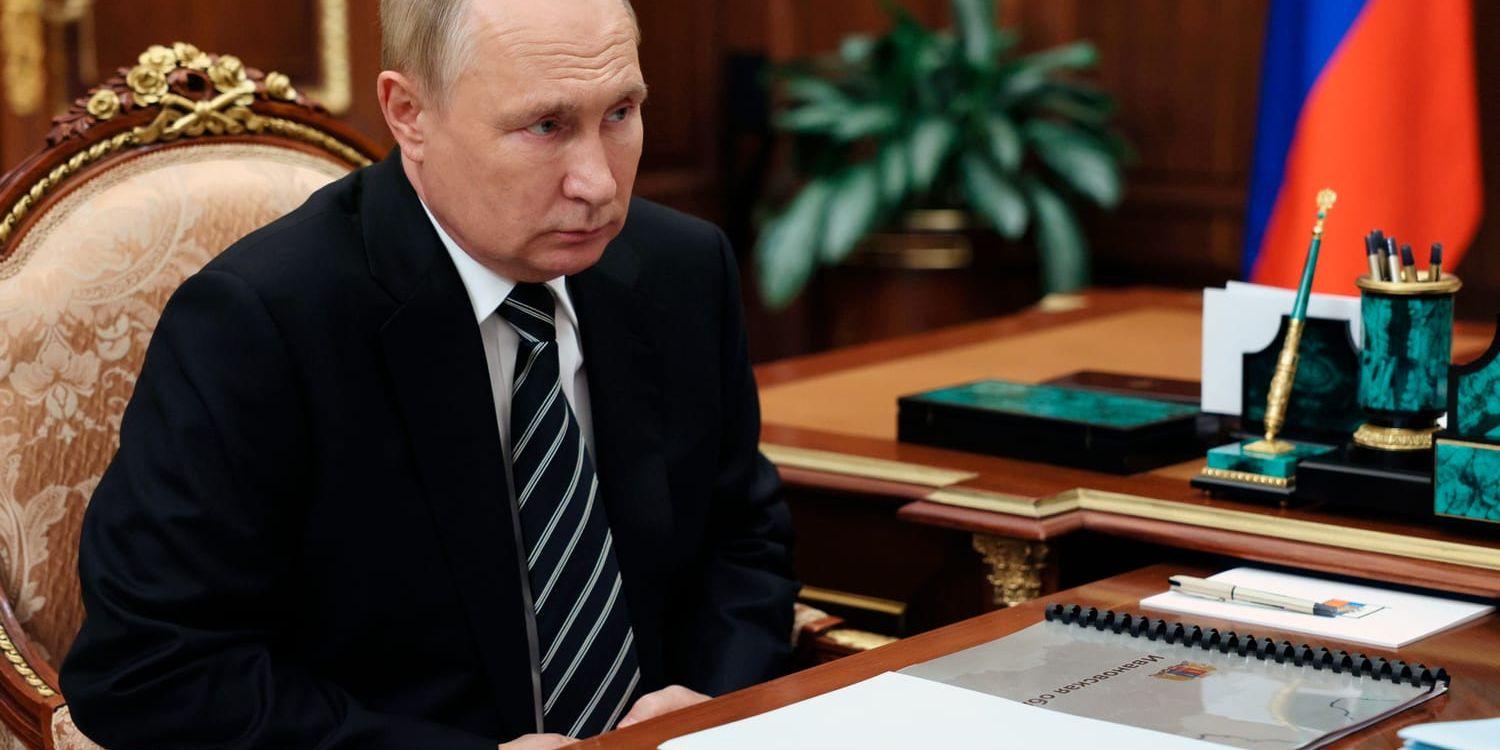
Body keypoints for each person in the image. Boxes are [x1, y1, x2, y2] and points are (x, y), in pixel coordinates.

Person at [59, 0, 798, 747]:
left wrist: (712, 707)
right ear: (408, 113)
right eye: (546, 126)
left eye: (620, 112)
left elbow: (740, 536)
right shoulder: (261, 323)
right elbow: (148, 670)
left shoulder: (681, 268)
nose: (598, 184)